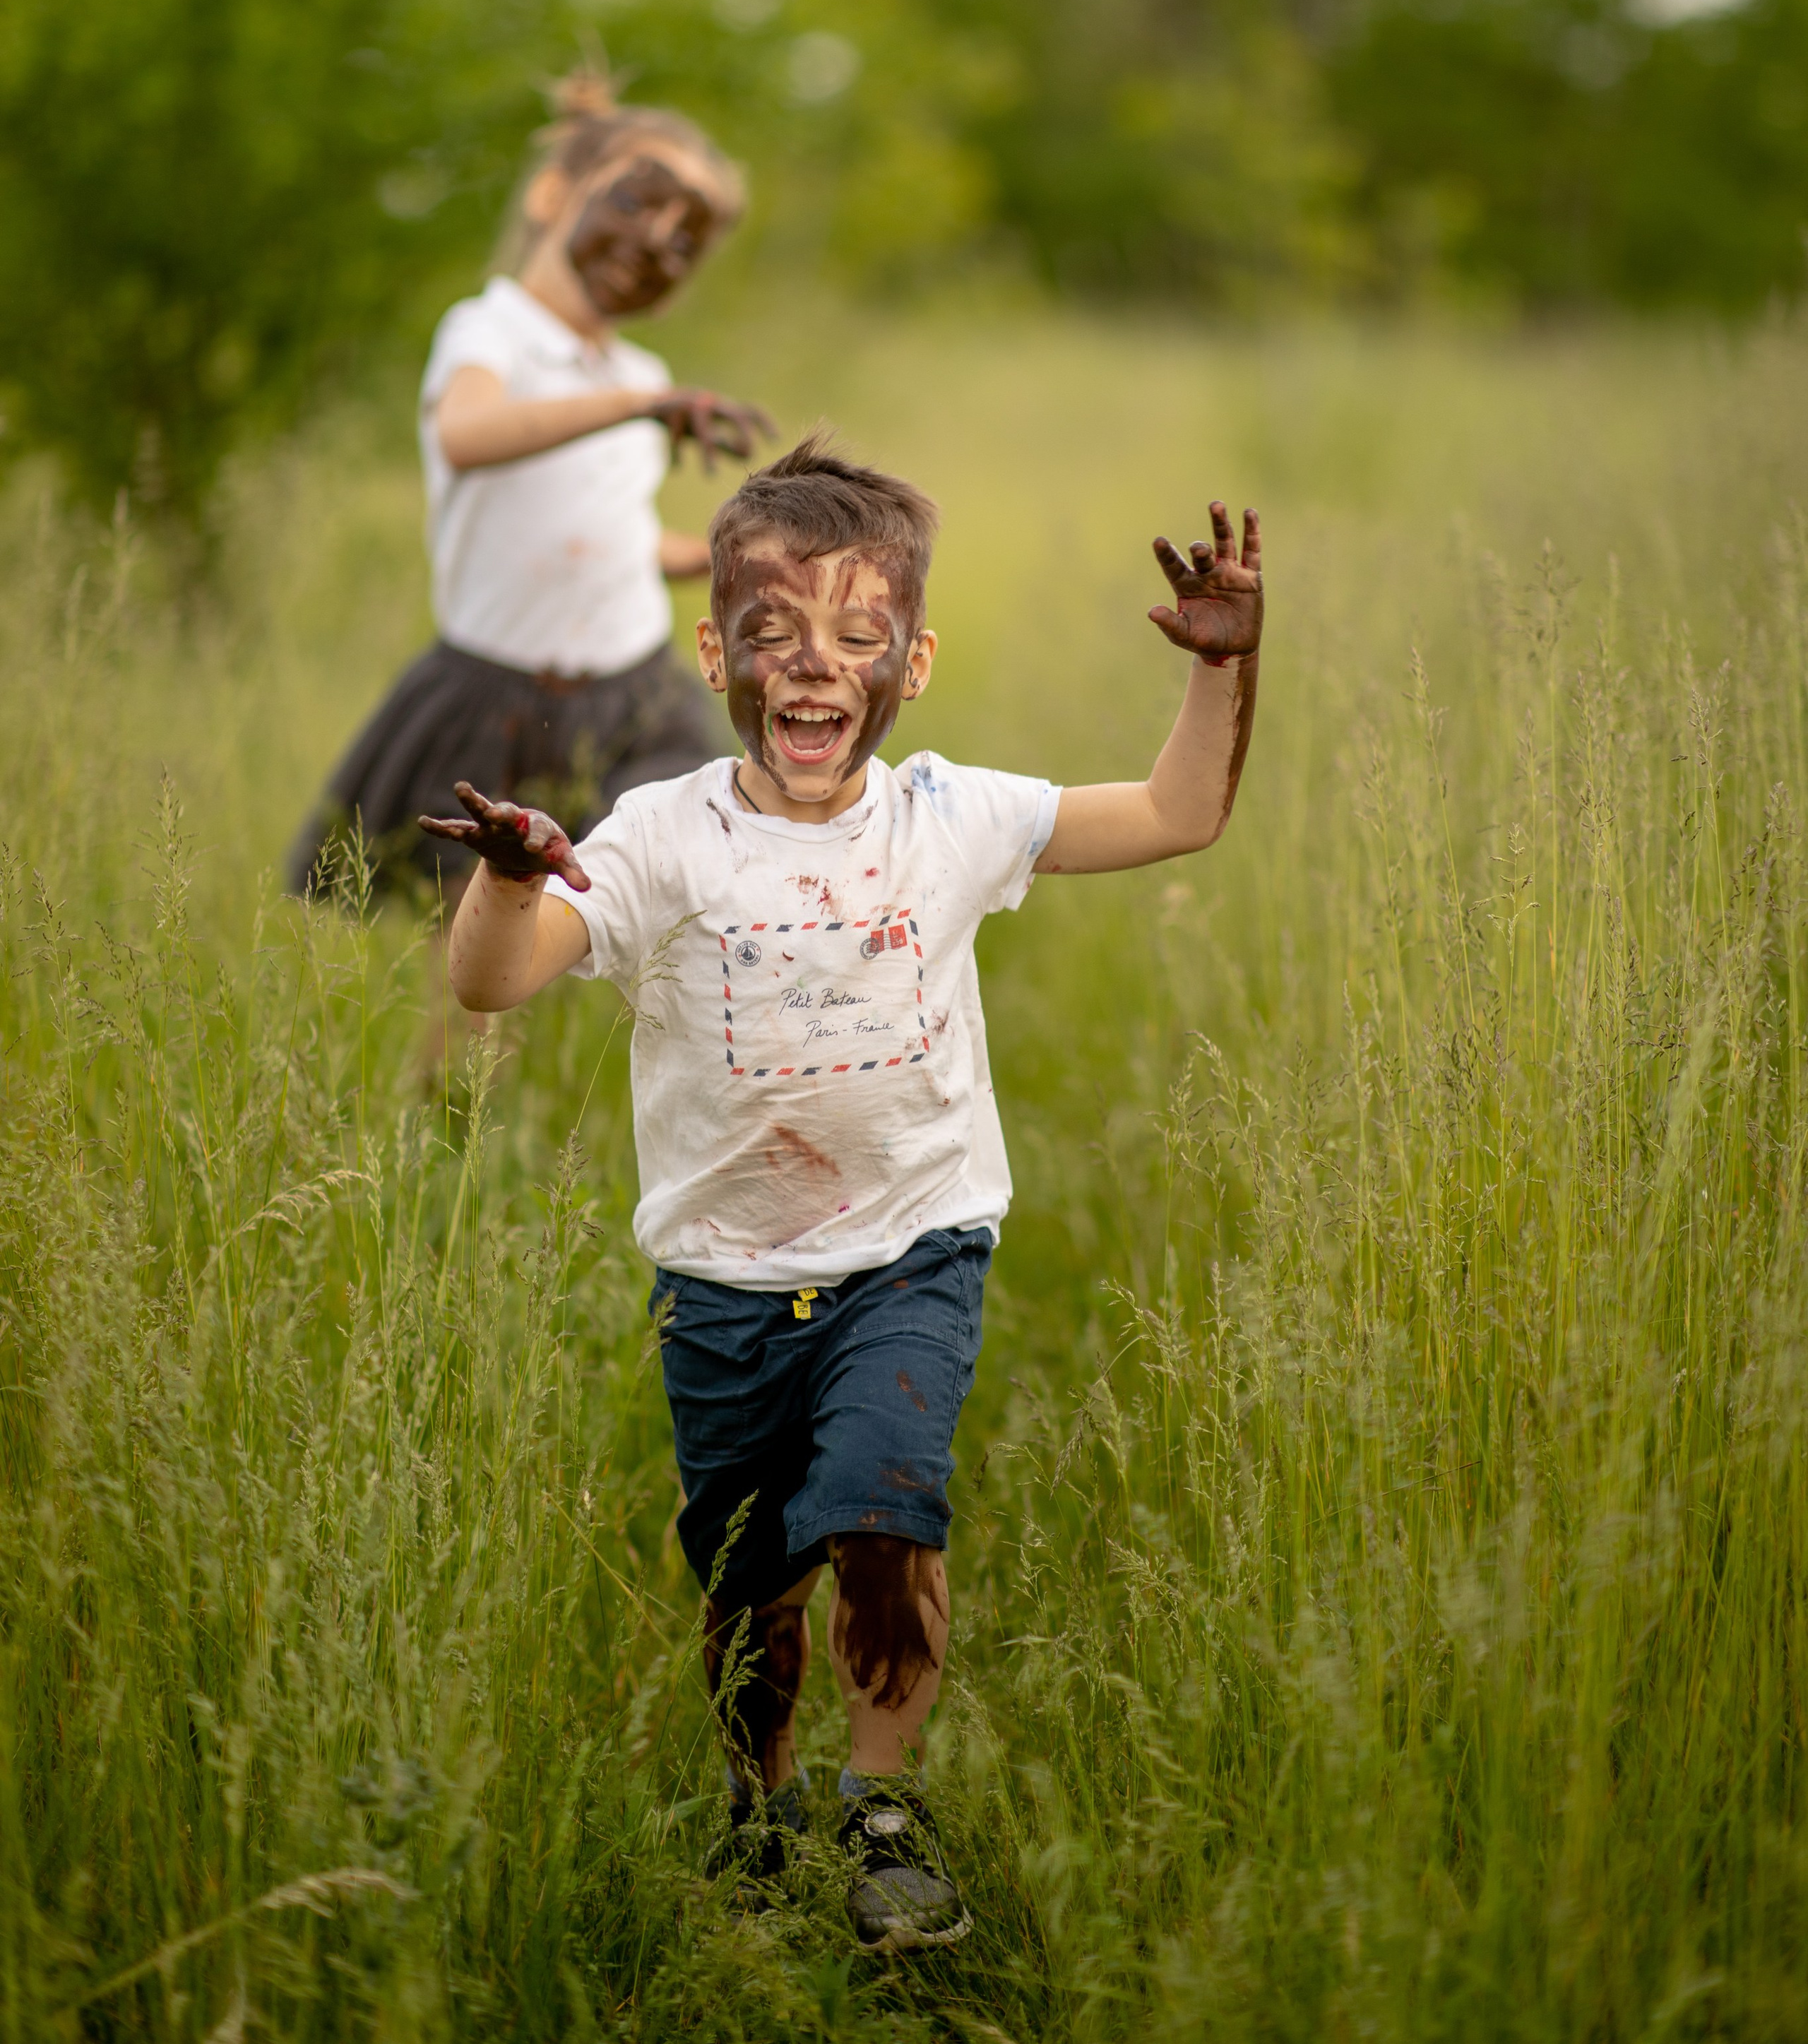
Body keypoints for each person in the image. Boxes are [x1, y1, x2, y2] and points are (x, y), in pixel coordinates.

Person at [421, 434, 1263, 1951]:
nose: (815, 671)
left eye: (858, 638)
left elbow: (1174, 815)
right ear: (713, 651)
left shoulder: (951, 817)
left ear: (914, 660)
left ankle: (882, 1811)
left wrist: (1219, 670)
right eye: (773, 636)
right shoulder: (665, 837)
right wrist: (508, 879)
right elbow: (497, 986)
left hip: (908, 1252)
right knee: (752, 1589)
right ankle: (759, 1808)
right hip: (723, 1285)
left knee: (886, 1520)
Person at [287, 71, 771, 909]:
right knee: (482, 950)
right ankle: (475, 1048)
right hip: (498, 696)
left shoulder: (637, 371)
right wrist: (637, 408)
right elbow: (466, 435)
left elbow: (607, 531)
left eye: (683, 240)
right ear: (554, 194)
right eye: (631, 205)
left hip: (634, 692)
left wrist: (717, 556)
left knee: (670, 895)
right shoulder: (490, 332)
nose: (653, 245)